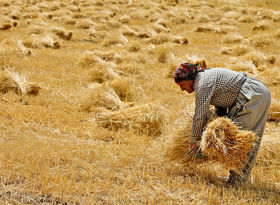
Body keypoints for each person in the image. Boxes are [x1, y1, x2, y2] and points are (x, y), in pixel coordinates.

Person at [174, 62, 271, 185]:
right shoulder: (204, 78)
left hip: (252, 95)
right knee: (237, 140)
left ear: (190, 78)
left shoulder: (203, 84)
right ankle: (235, 179)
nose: (182, 89)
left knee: (240, 141)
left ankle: (236, 182)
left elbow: (200, 116)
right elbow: (221, 102)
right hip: (256, 93)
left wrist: (193, 142)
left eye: (182, 85)